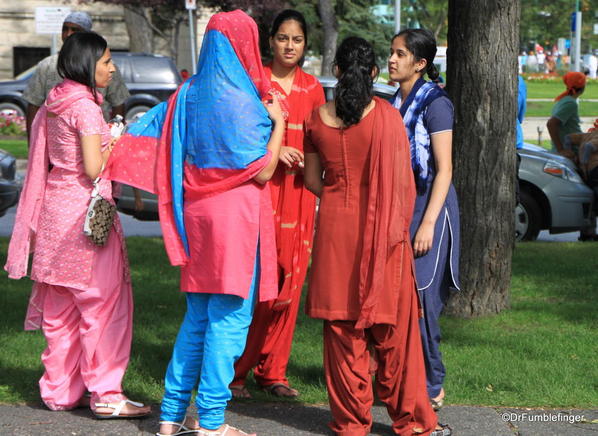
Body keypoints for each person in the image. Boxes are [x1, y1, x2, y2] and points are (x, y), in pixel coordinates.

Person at [108, 10, 285, 436]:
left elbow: (148, 130)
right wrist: (278, 123)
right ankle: (210, 421)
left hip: (197, 218)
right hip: (235, 221)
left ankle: (171, 416)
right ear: (246, 44)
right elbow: (262, 171)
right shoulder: (245, 102)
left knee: (197, 318)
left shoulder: (187, 93)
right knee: (229, 319)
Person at [304, 36, 449, 436]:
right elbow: (402, 185)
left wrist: (340, 194)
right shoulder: (386, 116)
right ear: (372, 73)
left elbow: (313, 181)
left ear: (335, 70)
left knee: (342, 332)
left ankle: (351, 423)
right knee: (394, 332)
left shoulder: (316, 119)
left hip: (335, 231)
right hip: (382, 234)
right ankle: (413, 421)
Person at [4, 31, 150, 418]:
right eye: (105, 61)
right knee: (103, 306)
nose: (112, 67)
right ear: (87, 63)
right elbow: (93, 167)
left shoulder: (56, 100)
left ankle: (60, 392)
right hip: (84, 220)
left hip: (56, 214)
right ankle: (105, 394)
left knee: (61, 310)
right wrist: (118, 139)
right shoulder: (84, 107)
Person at [230, 9, 325, 400]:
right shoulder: (256, 82)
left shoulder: (313, 88)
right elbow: (239, 137)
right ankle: (236, 372)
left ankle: (274, 371)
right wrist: (278, 148)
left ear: (305, 45)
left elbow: (321, 141)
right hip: (262, 193)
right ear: (270, 41)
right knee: (259, 285)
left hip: (300, 194)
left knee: (292, 282)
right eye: (283, 38)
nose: (290, 46)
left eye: (297, 40)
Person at [388, 28, 460, 414]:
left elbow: (445, 170)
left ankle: (433, 383)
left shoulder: (436, 103)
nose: (392, 59)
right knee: (403, 298)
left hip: (432, 205)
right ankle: (406, 379)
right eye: (391, 52)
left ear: (420, 63)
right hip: (405, 206)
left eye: (400, 54)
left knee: (423, 298)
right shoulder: (394, 100)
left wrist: (429, 223)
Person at [23, 11, 129, 137]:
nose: (68, 34)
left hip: (97, 135)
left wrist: (114, 136)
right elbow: (33, 104)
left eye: (75, 30)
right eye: (65, 29)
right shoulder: (47, 65)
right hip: (58, 139)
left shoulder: (105, 66)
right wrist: (34, 143)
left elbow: (118, 103)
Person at [546, 71, 586, 160]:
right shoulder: (570, 103)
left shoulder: (565, 100)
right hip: (570, 152)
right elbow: (551, 124)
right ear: (583, 86)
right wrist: (561, 150)